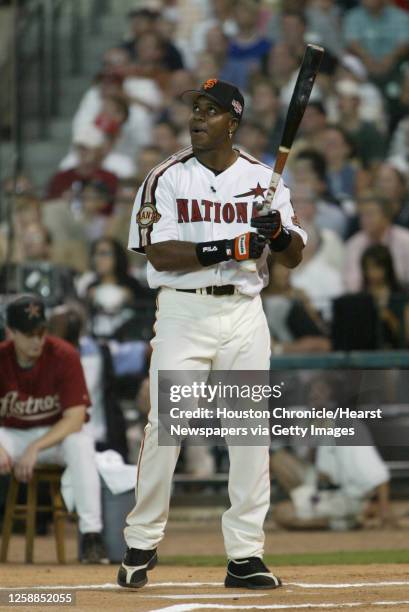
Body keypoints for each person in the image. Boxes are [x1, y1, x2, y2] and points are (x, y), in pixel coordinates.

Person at [118, 78, 306, 590]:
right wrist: (232, 244)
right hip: (184, 311)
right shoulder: (167, 177)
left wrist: (277, 233)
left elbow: (292, 257)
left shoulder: (264, 179)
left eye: (211, 110)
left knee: (249, 434)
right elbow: (160, 253)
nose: (198, 117)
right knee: (166, 427)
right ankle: (141, 542)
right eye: (195, 109)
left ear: (234, 120)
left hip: (244, 313)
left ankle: (245, 556)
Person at [0, 295, 107, 563]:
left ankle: (92, 536)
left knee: (81, 443)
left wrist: (35, 447)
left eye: (41, 332)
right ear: (10, 332)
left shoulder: (64, 354)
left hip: (55, 436)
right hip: (11, 435)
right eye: (28, 334)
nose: (37, 340)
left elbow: (75, 418)